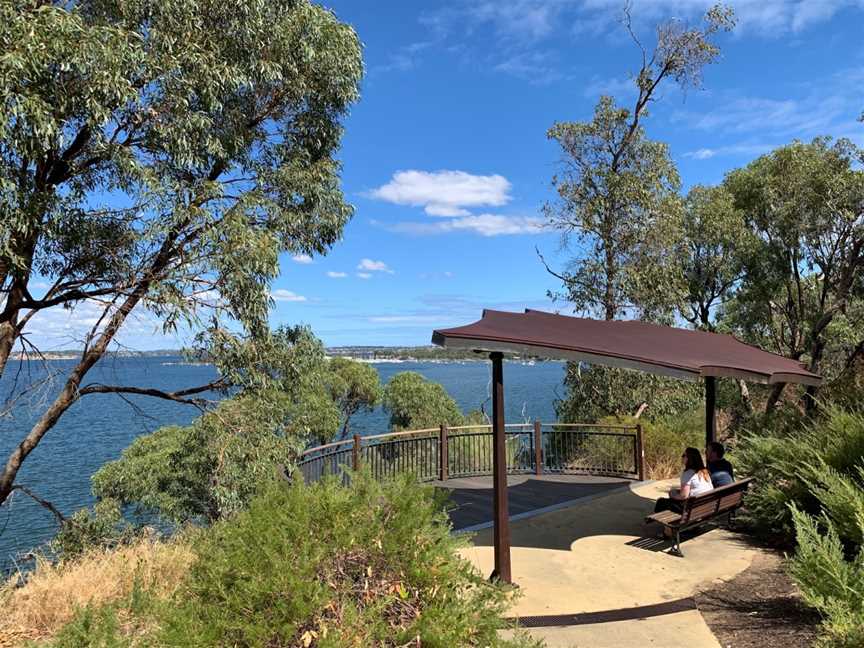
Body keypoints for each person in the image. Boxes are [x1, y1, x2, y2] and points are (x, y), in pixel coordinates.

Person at [654, 447, 714, 513]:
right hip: (708, 505)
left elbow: (684, 496)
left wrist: (672, 494)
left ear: (689, 458)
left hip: (694, 509)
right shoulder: (705, 472)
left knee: (661, 501)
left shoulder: (688, 474)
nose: (682, 457)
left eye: (683, 455)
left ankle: (652, 520)